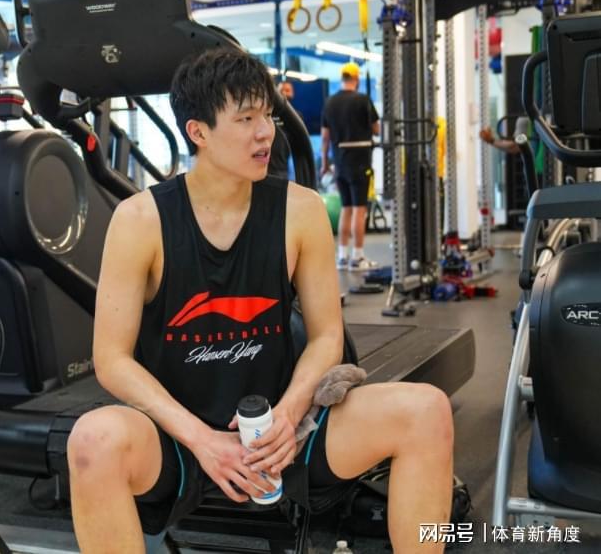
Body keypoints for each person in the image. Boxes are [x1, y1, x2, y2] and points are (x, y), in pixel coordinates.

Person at [67, 48, 454, 554]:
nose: (265, 132)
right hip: (179, 440)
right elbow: (111, 360)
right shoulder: (140, 221)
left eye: (267, 116)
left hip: (288, 433)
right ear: (198, 132)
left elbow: (327, 336)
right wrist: (203, 440)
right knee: (92, 441)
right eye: (245, 119)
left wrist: (289, 416)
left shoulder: (302, 211)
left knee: (426, 410)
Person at [321, 62, 380, 271]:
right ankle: (357, 257)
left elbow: (325, 138)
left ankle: (342, 256)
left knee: (345, 208)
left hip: (340, 162)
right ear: (356, 79)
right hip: (360, 161)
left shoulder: (330, 102)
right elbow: (377, 129)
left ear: (342, 78)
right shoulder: (363, 100)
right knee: (359, 209)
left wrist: (325, 164)